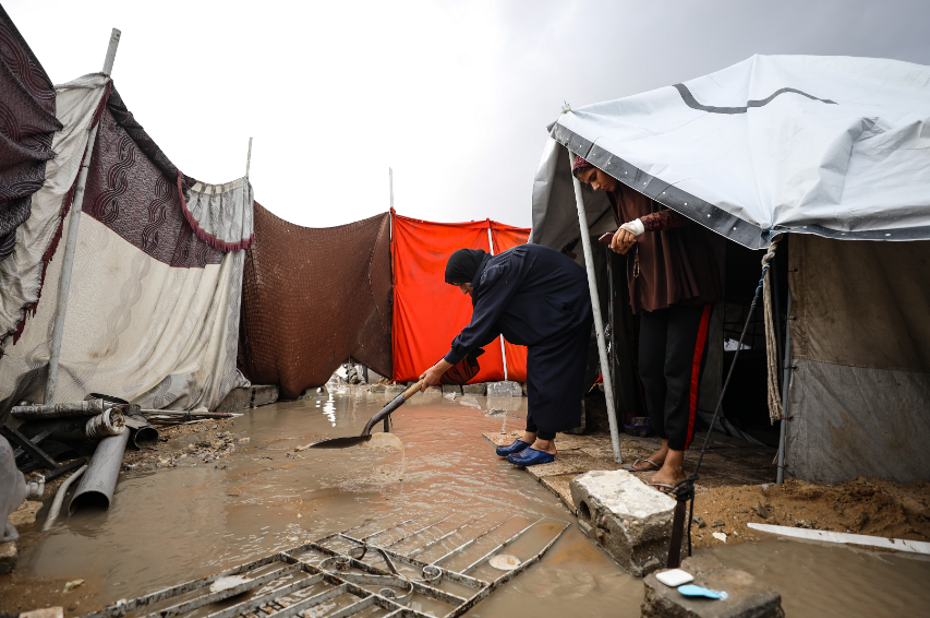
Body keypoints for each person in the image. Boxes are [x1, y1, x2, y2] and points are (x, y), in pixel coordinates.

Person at [573, 155, 722, 492]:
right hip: (653, 288)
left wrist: (639, 225)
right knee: (650, 369)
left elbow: (689, 210)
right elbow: (636, 231)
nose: (595, 186)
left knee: (678, 370)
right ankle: (667, 443)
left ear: (607, 165)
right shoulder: (617, 194)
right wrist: (619, 236)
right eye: (589, 183)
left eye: (594, 177)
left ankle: (676, 462)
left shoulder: (651, 173)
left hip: (688, 284)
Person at [419, 244, 593, 466]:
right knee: (535, 373)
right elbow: (489, 326)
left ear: (470, 274)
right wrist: (453, 357)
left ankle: (545, 444)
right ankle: (531, 435)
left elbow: (478, 327)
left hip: (570, 307)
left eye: (462, 284)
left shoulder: (495, 272)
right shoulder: (494, 271)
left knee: (548, 373)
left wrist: (438, 369)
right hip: (554, 312)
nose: (463, 291)